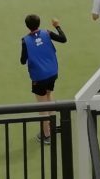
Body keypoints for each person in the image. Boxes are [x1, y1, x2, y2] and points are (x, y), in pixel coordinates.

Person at [20, 14, 67, 144]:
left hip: (39, 77)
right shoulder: (47, 32)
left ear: (27, 26)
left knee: (42, 106)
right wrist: (57, 26)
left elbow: (23, 61)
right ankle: (52, 127)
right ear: (39, 23)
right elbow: (63, 39)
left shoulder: (25, 40)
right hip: (52, 73)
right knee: (49, 94)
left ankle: (46, 135)